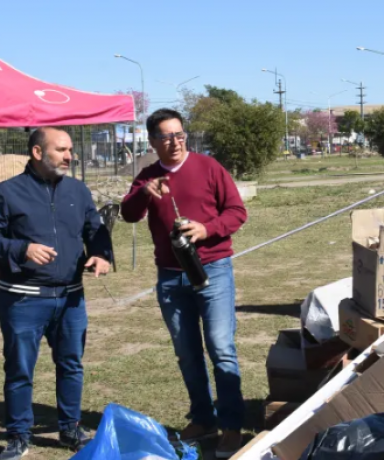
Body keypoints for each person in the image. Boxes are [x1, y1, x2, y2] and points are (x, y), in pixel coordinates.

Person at [0, 127, 113, 460]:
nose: (70, 156)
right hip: (23, 299)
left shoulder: (78, 191)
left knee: (71, 365)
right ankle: (19, 436)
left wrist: (102, 254)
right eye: (62, 150)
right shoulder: (5, 193)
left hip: (70, 299)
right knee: (20, 369)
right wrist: (22, 249)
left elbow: (95, 230)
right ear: (38, 153)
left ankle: (70, 429)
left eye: (70, 150)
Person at [120, 108, 247, 458]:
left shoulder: (209, 168)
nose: (174, 142)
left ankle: (232, 426)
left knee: (221, 347)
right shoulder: (147, 177)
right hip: (171, 276)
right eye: (165, 137)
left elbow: (237, 212)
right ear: (152, 141)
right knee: (188, 352)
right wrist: (145, 192)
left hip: (213, 270)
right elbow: (128, 213)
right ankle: (203, 418)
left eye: (179, 135)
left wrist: (207, 229)